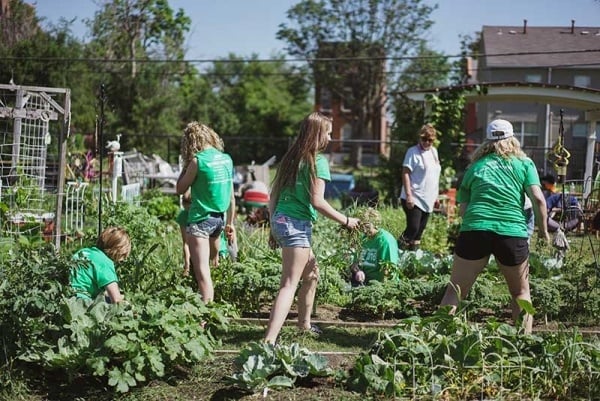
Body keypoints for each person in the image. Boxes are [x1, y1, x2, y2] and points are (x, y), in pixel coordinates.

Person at [440, 119, 550, 334]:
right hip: (511, 233)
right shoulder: (524, 164)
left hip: (475, 230)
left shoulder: (475, 167)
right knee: (520, 293)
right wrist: (544, 231)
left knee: (455, 290)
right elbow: (538, 199)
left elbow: (463, 208)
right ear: (512, 138)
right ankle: (523, 344)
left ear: (488, 141)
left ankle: (438, 339)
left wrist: (477, 225)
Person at [264, 112, 360, 344]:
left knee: (312, 273)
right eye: (327, 132)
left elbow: (274, 193)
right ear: (317, 134)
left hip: (281, 220)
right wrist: (347, 221)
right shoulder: (318, 161)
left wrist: (273, 228)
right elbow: (318, 201)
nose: (330, 137)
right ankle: (268, 341)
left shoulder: (291, 158)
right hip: (295, 225)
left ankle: (304, 325)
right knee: (289, 284)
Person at [176, 122, 236, 303]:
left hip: (200, 222)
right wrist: (230, 223)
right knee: (214, 263)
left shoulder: (197, 161)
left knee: (203, 275)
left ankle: (205, 319)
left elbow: (180, 189)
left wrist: (185, 166)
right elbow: (232, 197)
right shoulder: (226, 158)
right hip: (219, 220)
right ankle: (214, 306)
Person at [398, 123, 441, 251]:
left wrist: (436, 196)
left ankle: (412, 259)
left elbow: (435, 175)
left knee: (420, 231)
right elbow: (405, 173)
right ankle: (394, 252)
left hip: (428, 197)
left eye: (430, 140)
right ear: (420, 138)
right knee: (413, 228)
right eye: (424, 139)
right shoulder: (412, 152)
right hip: (414, 197)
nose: (427, 142)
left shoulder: (434, 152)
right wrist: (409, 195)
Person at [70, 226, 131, 303]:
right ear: (118, 250)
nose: (122, 260)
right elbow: (116, 300)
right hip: (81, 303)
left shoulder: (83, 252)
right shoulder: (104, 262)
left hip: (67, 296)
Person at [349, 208, 399, 286]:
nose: (365, 230)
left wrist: (381, 288)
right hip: (363, 282)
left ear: (376, 224)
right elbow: (354, 264)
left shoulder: (385, 241)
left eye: (367, 227)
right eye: (362, 227)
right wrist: (358, 271)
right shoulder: (363, 239)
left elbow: (389, 269)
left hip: (380, 284)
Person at [176, 190, 192, 276]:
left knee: (186, 244)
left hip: (189, 238)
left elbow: (185, 242)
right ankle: (188, 267)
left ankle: (187, 267)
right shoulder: (199, 213)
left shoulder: (182, 215)